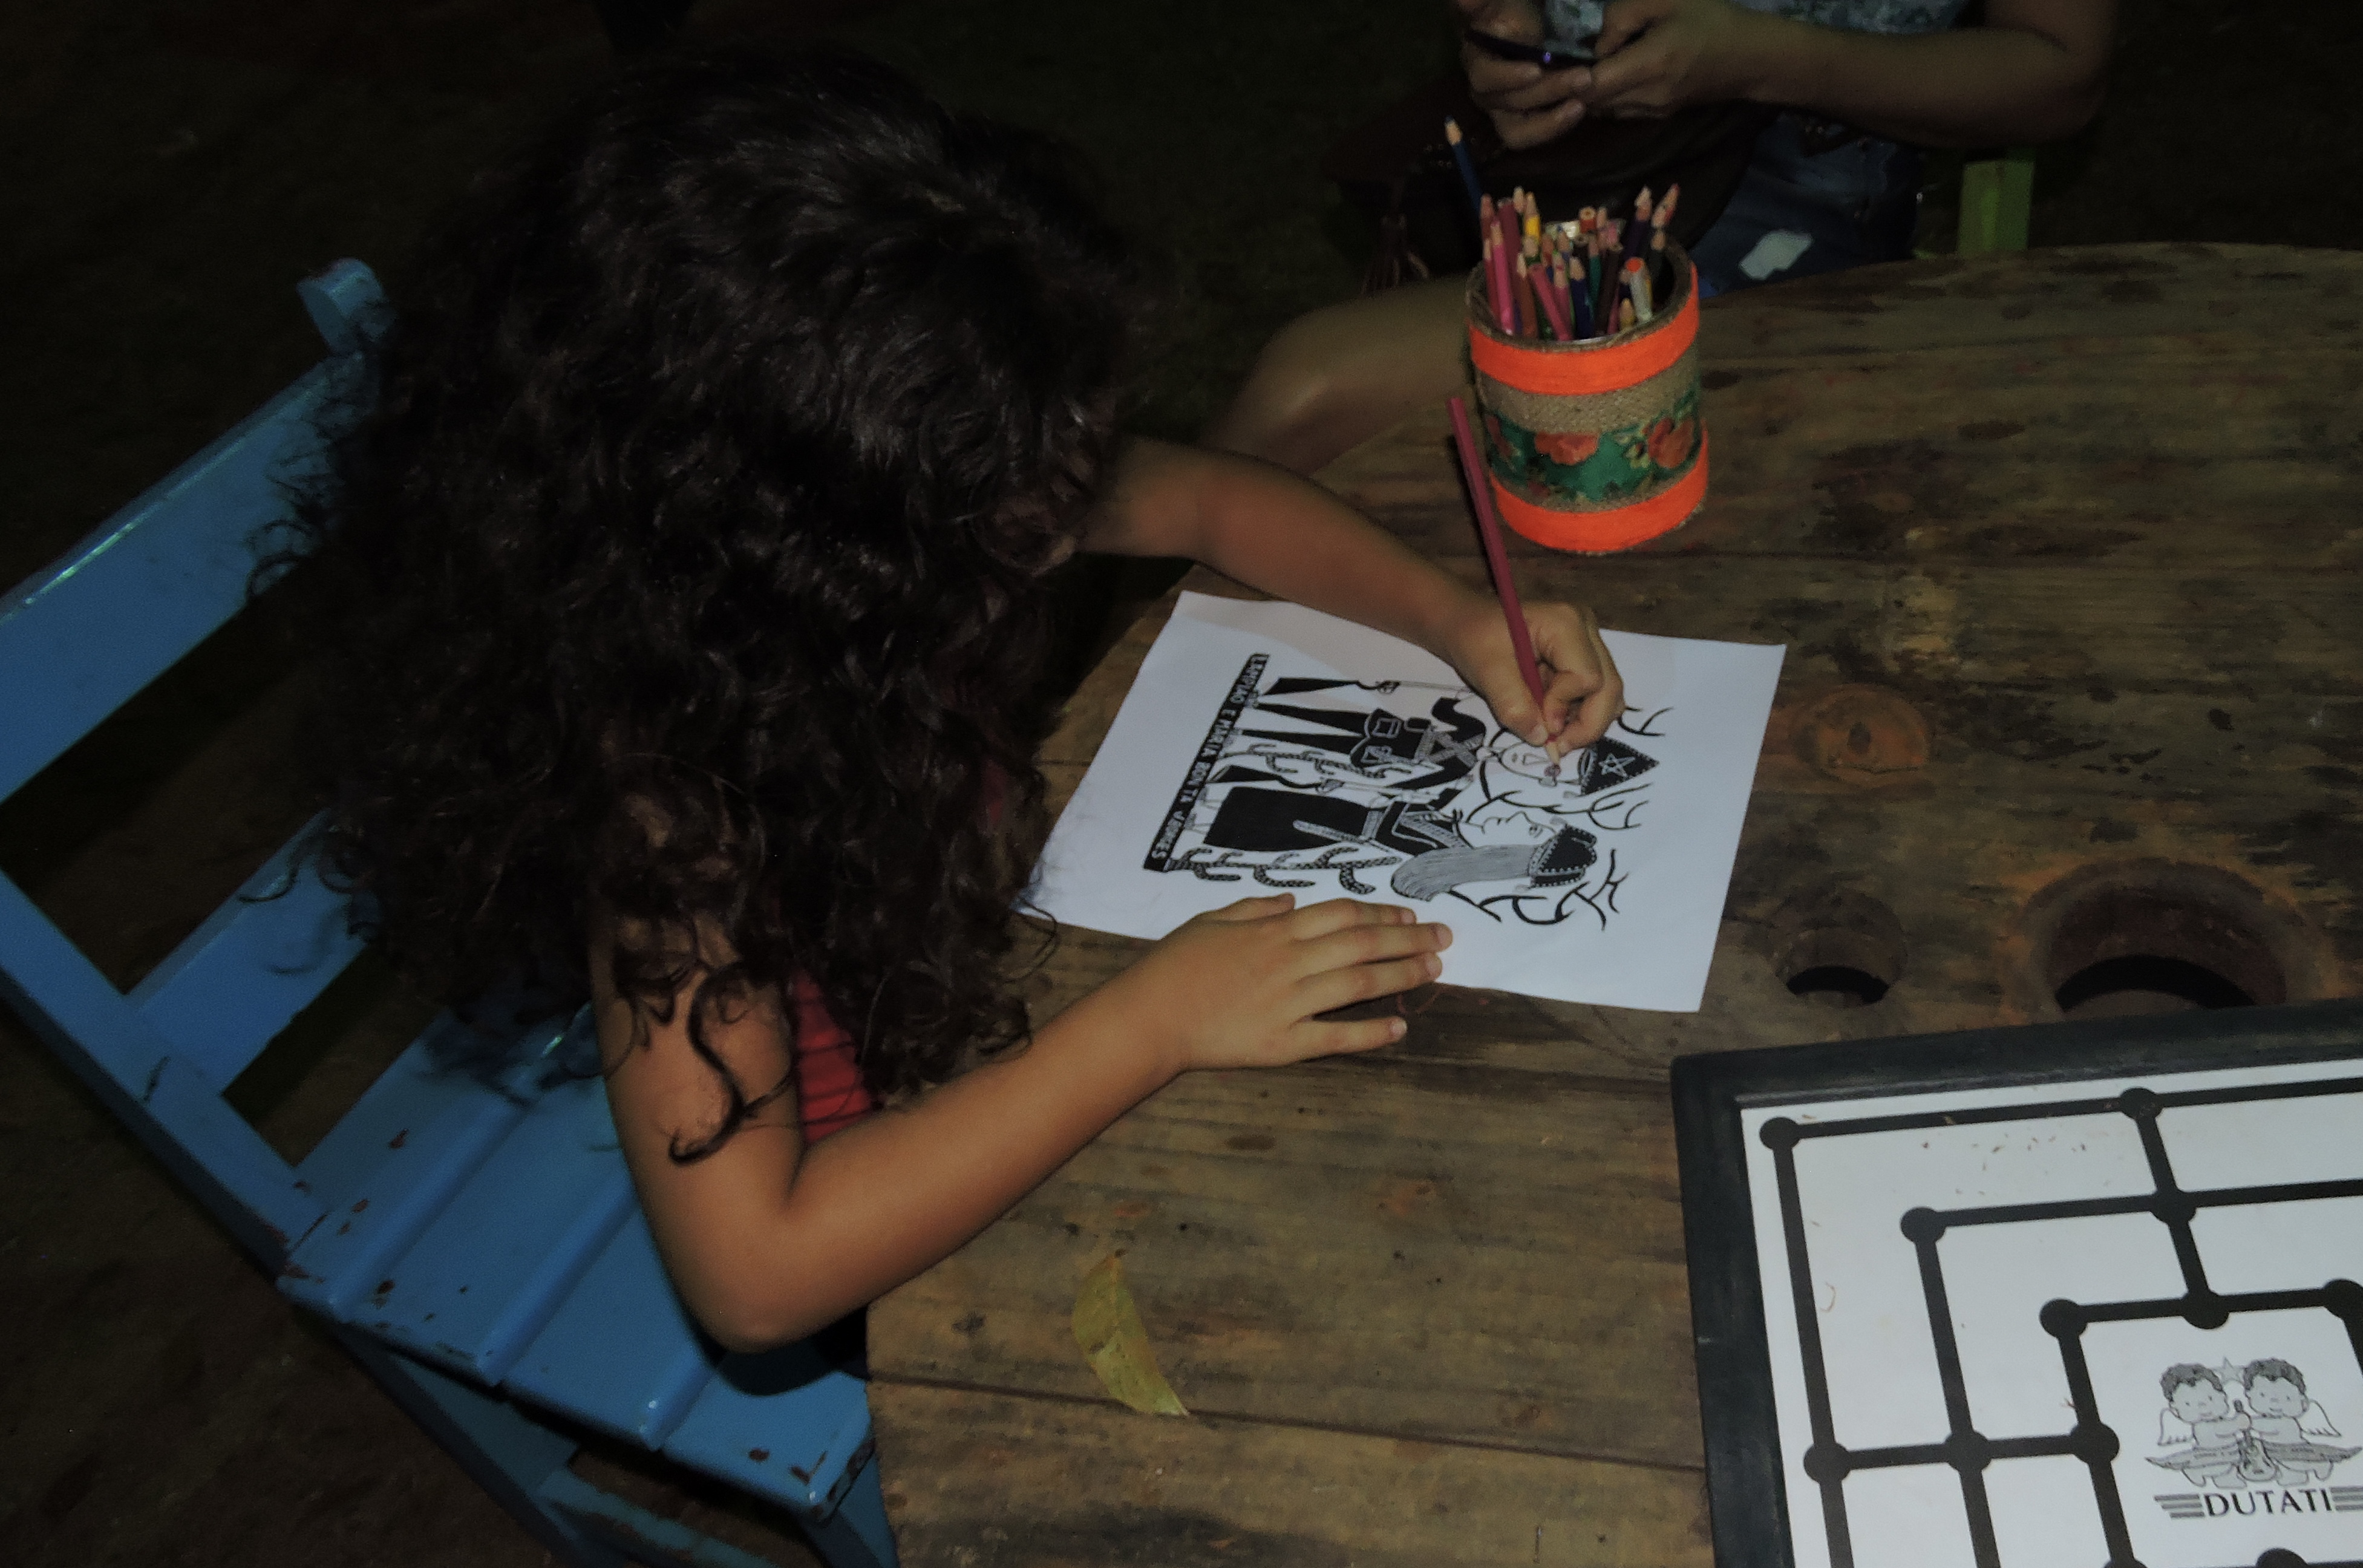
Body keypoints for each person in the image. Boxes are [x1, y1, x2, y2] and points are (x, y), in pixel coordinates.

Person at [286, 44, 1624, 1355]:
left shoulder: (915, 491)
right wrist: (1153, 1025)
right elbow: (759, 1281)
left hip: (994, 960)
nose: (1064, 522)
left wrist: (1455, 620)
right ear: (799, 551)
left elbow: (1213, 499)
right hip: (901, 1175)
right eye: (1020, 514)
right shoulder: (672, 816)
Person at [1206, 0, 2114, 476]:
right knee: (1300, 408)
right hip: (1580, 166)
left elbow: (2059, 75)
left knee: (1309, 395)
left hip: (1795, 196)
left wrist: (1763, 59)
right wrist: (1513, 37)